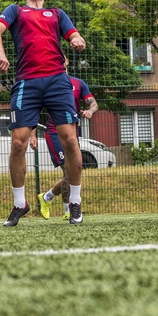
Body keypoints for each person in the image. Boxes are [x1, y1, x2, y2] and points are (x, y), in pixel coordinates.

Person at [0, 0, 87, 226]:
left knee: (70, 140)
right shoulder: (16, 11)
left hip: (57, 81)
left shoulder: (57, 14)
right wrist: (1, 52)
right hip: (26, 82)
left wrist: (77, 40)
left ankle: (75, 201)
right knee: (17, 144)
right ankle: (19, 203)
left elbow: (74, 35)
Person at [35, 62, 98, 219]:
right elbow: (35, 109)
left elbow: (93, 103)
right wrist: (32, 135)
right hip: (54, 133)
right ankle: (68, 209)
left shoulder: (78, 83)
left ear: (67, 62)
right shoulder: (47, 84)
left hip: (72, 133)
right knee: (68, 172)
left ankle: (47, 197)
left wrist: (90, 111)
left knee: (74, 170)